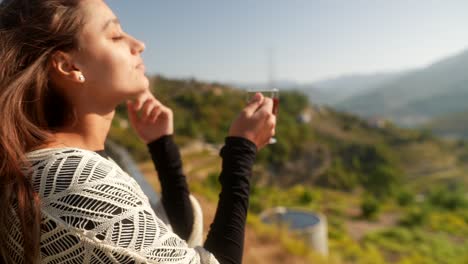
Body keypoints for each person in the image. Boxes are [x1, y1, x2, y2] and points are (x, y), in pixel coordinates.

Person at [0, 0, 276, 263]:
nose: (139, 45)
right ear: (69, 66)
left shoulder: (55, 166)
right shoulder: (74, 181)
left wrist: (161, 146)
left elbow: (171, 242)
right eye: (116, 35)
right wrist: (242, 150)